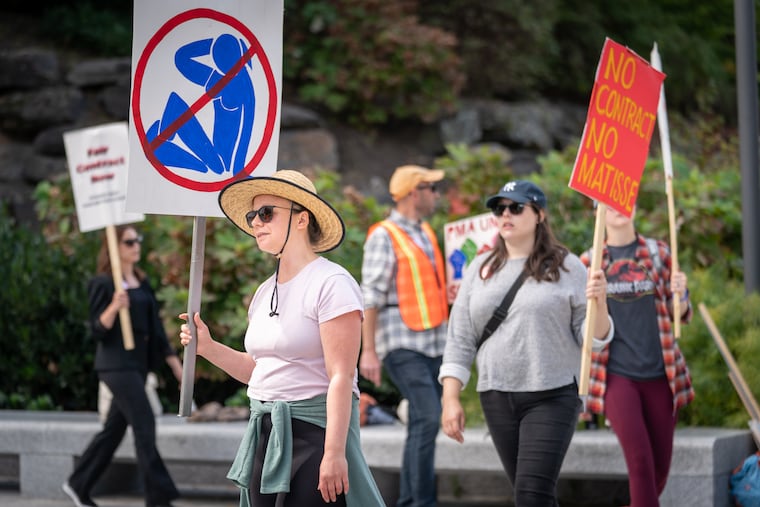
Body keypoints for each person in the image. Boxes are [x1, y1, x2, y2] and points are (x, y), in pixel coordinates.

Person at [179, 169, 384, 507]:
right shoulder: (263, 292)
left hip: (313, 433)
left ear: (302, 219)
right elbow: (257, 370)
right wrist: (209, 348)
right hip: (263, 430)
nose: (255, 223)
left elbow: (341, 377)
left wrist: (333, 453)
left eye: (266, 213)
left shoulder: (332, 282)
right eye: (252, 215)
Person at [439, 180, 614, 507]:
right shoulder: (480, 267)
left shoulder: (568, 266)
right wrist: (450, 398)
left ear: (539, 215)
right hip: (496, 395)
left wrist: (600, 302)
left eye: (516, 207)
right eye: (499, 208)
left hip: (553, 394)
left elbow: (593, 339)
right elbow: (460, 337)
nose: (506, 214)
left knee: (531, 494)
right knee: (533, 495)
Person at [579, 205, 694, 507]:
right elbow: (588, 332)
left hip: (661, 374)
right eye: (610, 204)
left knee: (659, 469)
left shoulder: (659, 254)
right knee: (640, 463)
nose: (619, 208)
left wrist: (680, 296)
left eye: (624, 200)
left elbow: (677, 314)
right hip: (616, 378)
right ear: (597, 213)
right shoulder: (590, 263)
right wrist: (596, 299)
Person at [63, 225, 184, 507]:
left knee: (113, 430)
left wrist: (176, 367)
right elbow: (96, 330)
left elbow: (156, 331)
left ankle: (78, 483)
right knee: (144, 423)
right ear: (115, 248)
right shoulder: (104, 283)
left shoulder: (142, 282)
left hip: (138, 366)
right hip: (116, 366)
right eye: (129, 241)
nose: (136, 245)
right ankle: (159, 497)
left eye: (137, 240)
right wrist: (114, 307)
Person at [359, 164, 449, 507]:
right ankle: (420, 503)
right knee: (427, 417)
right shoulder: (384, 234)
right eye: (432, 188)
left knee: (423, 424)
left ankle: (412, 501)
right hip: (401, 342)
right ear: (415, 192)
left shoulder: (425, 231)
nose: (437, 195)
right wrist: (369, 351)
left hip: (434, 343)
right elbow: (371, 296)